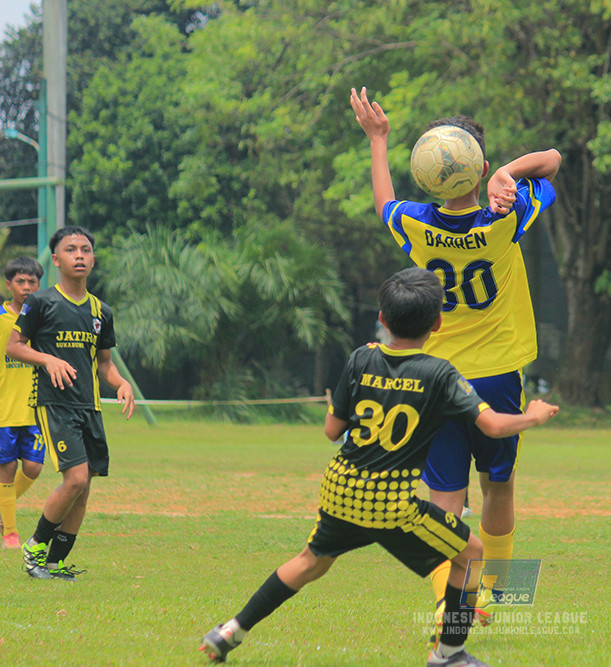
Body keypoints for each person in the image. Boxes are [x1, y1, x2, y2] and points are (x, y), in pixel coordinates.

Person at [199, 267, 559, 666]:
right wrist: (532, 416)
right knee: (471, 554)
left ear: (383, 320)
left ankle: (230, 631)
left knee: (310, 563)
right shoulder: (439, 373)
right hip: (389, 504)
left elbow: (331, 430)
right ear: (438, 323)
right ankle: (449, 654)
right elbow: (491, 425)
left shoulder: (360, 358)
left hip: (340, 489)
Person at [351, 87, 562, 627]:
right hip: (497, 374)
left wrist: (378, 140)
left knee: (444, 493)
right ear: (483, 166)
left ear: (426, 173)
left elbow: (382, 202)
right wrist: (508, 176)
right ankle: (496, 592)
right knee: (500, 483)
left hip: (438, 377)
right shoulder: (508, 215)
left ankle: (453, 598)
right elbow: (554, 160)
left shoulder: (415, 223)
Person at [5, 226, 135, 580]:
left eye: (86, 249)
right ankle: (35, 546)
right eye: (71, 249)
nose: (80, 254)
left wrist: (121, 383)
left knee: (85, 484)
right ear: (56, 259)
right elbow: (15, 346)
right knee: (75, 479)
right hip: (54, 403)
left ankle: (55, 562)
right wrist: (49, 360)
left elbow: (104, 364)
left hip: (89, 406)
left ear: (93, 259)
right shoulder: (41, 302)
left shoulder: (100, 311)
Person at [1, 257, 45, 548]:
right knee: (5, 468)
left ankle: (3, 509)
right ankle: (10, 532)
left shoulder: (45, 318)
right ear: (9, 285)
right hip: (4, 408)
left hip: (35, 409)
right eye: (20, 281)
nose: (26, 287)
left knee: (33, 468)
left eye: (32, 282)